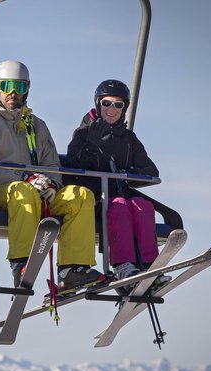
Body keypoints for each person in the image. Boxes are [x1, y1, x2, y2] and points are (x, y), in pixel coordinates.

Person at [0, 60, 103, 292]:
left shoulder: (35, 125)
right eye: (7, 86)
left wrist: (52, 185)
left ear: (28, 89)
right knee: (23, 191)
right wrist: (23, 177)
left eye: (19, 87)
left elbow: (51, 163)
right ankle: (22, 263)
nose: (13, 93)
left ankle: (72, 270)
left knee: (80, 195)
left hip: (36, 191)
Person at [64, 79, 160, 281]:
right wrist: (90, 146)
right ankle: (123, 265)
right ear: (98, 104)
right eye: (107, 103)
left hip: (121, 194)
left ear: (124, 108)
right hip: (94, 199)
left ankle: (149, 266)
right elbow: (71, 169)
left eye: (118, 104)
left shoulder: (128, 139)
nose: (112, 109)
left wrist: (127, 174)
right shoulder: (83, 133)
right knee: (119, 206)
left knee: (142, 205)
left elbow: (150, 171)